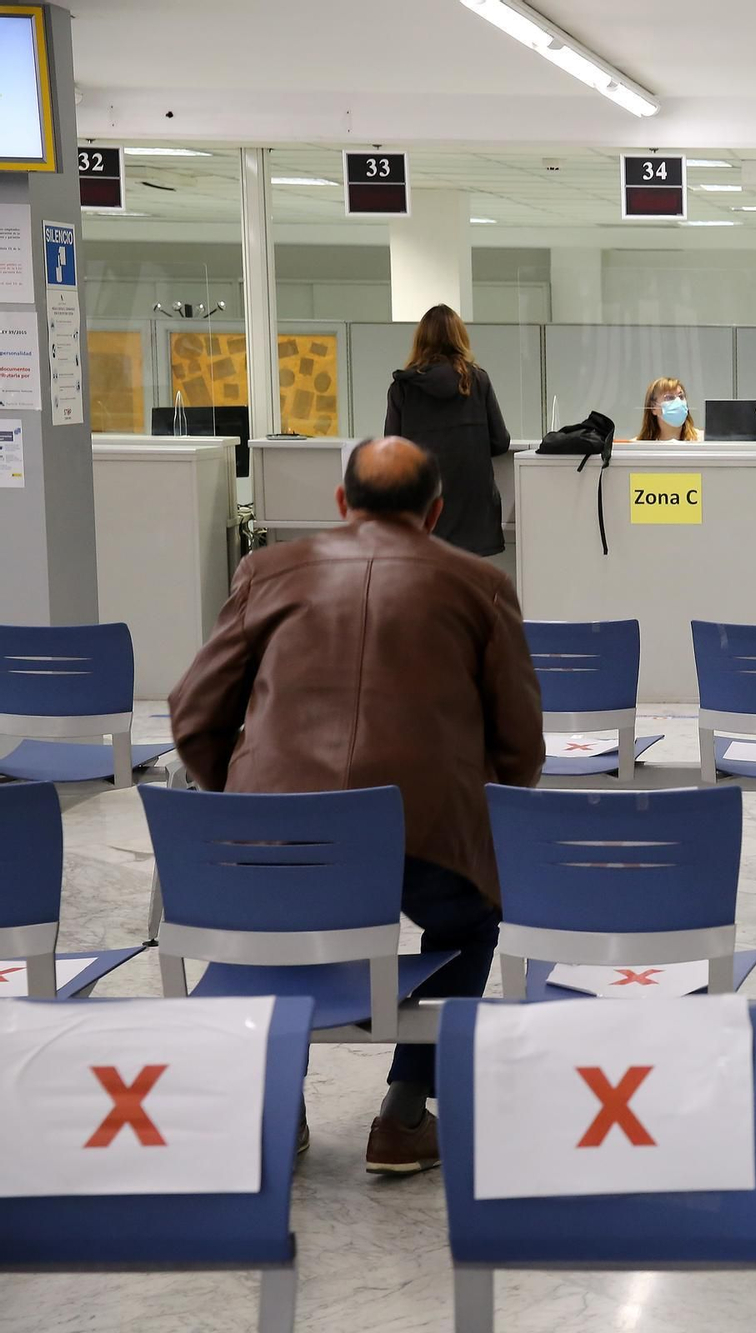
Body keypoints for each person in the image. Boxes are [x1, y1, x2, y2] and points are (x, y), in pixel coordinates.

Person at [168, 437, 544, 1175]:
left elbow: (193, 715)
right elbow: (521, 743)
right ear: (435, 513)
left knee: (287, 918)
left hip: (283, 835)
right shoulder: (481, 585)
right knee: (470, 920)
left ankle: (283, 1107)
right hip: (426, 833)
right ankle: (405, 1111)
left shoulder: (266, 571)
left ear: (341, 504)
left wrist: (244, 810)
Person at [384, 304, 512, 558]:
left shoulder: (403, 388)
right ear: (460, 339)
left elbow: (393, 451)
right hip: (474, 512)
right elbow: (500, 441)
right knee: (468, 587)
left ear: (420, 341)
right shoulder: (477, 381)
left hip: (424, 508)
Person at [637, 375, 704, 442]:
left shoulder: (703, 440)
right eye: (669, 398)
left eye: (681, 396)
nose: (678, 402)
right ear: (653, 408)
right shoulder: (636, 447)